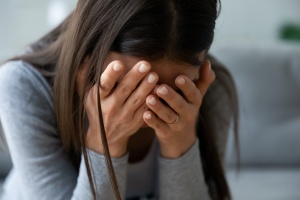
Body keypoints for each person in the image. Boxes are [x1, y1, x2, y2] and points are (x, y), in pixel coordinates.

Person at [0, 0, 238, 200]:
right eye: (130, 85)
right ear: (87, 52)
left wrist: (181, 143)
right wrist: (104, 144)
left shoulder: (210, 88)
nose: (149, 103)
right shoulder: (23, 84)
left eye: (175, 90)